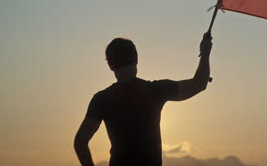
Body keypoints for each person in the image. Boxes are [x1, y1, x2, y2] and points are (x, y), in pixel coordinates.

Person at [74, 33, 213, 166]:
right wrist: (205, 53)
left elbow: (80, 142)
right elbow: (199, 83)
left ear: (110, 65)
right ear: (136, 59)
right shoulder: (156, 90)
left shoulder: (102, 99)